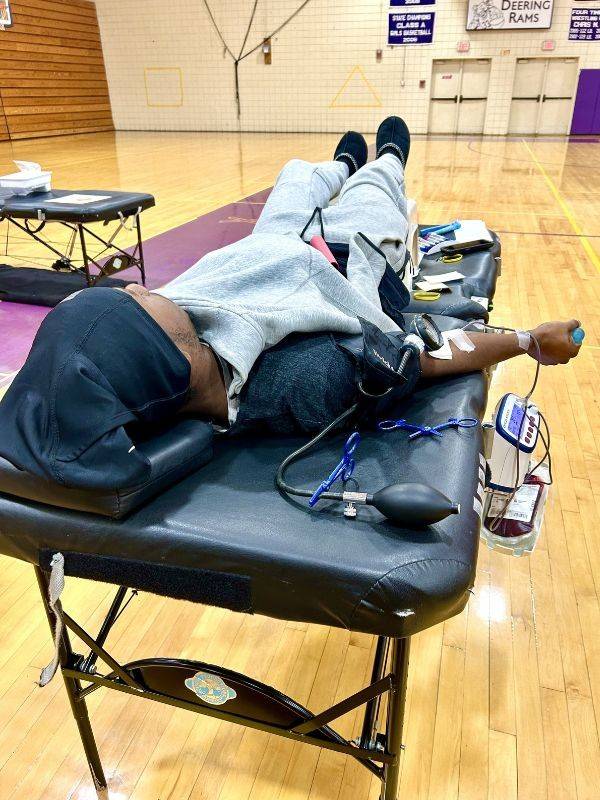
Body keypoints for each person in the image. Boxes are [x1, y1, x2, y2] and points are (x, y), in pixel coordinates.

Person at [0, 117, 582, 489]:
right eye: (138, 301)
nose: (140, 287)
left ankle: (340, 166)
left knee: (297, 177)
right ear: (180, 363)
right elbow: (423, 356)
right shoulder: (305, 381)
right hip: (348, 269)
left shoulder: (182, 332)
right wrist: (528, 340)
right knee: (374, 195)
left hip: (270, 252)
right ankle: (381, 163)